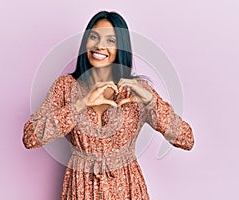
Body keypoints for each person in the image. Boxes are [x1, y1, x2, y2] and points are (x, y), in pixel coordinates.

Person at [23, 11, 194, 199]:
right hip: (81, 190)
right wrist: (80, 104)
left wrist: (151, 102)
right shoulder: (65, 87)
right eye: (94, 37)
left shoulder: (136, 90)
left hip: (127, 188)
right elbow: (31, 138)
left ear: (121, 47)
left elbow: (186, 139)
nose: (100, 45)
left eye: (110, 41)